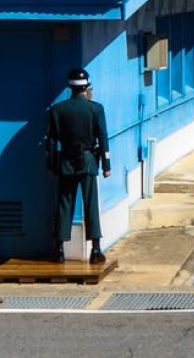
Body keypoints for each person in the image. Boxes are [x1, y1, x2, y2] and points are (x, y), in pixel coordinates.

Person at [45, 67, 112, 265]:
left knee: (64, 204)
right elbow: (103, 138)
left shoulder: (57, 110)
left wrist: (51, 164)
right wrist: (106, 165)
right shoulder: (96, 109)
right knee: (91, 205)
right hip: (88, 161)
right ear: (86, 87)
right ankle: (95, 249)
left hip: (66, 161)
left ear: (70, 87)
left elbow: (51, 141)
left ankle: (59, 250)